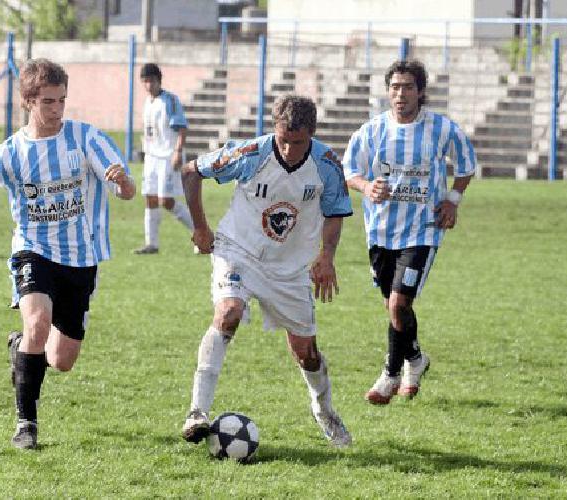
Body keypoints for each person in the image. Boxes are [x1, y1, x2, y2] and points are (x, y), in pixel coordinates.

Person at [0, 58, 136, 450]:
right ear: (27, 101)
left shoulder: (86, 138)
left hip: (80, 258)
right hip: (33, 251)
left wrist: (123, 183)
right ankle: (26, 425)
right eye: (48, 102)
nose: (57, 110)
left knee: (62, 360)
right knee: (38, 323)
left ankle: (20, 347)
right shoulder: (9, 153)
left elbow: (125, 190)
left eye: (62, 101)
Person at [178, 94, 354, 448]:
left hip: (288, 270)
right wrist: (200, 227)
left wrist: (327, 256)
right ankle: (197, 411)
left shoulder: (327, 165)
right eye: (283, 140)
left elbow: (335, 210)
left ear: (312, 135)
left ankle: (324, 410)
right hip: (238, 250)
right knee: (228, 312)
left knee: (305, 350)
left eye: (298, 142)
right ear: (274, 130)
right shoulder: (252, 153)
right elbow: (191, 171)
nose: (288, 150)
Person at [342, 59, 478, 405]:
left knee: (400, 303)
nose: (400, 94)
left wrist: (452, 200)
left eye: (407, 87)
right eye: (394, 87)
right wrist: (365, 186)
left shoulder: (441, 129)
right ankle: (416, 360)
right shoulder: (372, 131)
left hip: (422, 230)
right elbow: (349, 170)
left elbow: (465, 164)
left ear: (420, 92)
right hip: (381, 231)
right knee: (394, 307)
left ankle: (389, 374)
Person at [134, 63, 195, 254]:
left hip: (168, 156)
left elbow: (182, 127)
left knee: (166, 201)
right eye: (145, 81)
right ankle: (151, 244)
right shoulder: (147, 102)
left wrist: (178, 151)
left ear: (159, 80)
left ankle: (200, 232)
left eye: (151, 80)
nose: (148, 85)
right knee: (150, 198)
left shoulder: (170, 100)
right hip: (152, 158)